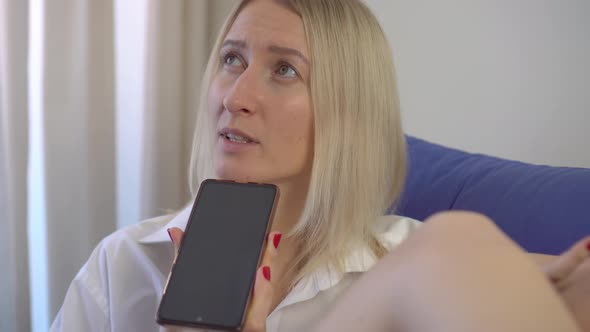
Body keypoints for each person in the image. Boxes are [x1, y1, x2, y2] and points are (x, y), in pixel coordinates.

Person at [51, 0, 590, 331]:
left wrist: (533, 277)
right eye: (232, 59)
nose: (236, 96)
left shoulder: (412, 258)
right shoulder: (122, 265)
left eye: (284, 70)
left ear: (348, 112)